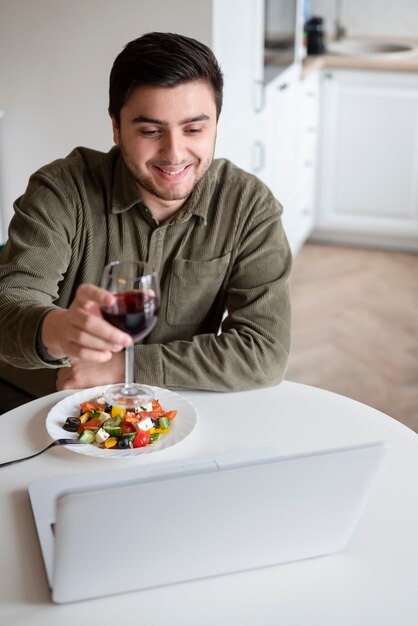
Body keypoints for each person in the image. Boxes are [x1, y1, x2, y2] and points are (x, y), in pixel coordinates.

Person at [0, 31, 291, 413]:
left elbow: (265, 350)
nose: (174, 154)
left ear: (216, 124)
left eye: (194, 129)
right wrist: (59, 331)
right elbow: (8, 306)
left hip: (168, 416)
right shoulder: (61, 190)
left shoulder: (249, 207)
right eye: (150, 131)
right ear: (116, 127)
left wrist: (124, 367)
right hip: (38, 409)